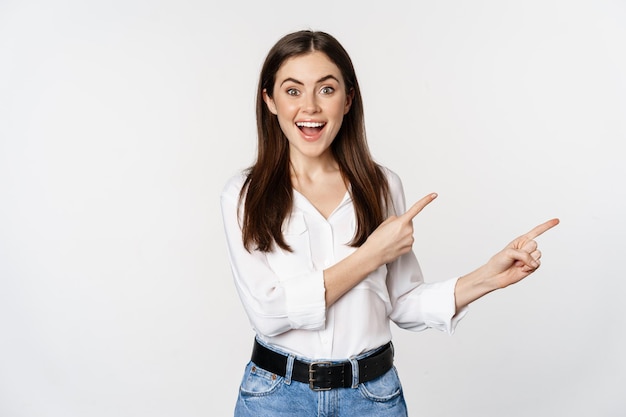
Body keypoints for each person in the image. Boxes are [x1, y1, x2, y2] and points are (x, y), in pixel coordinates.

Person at [220, 29, 559, 417]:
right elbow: (269, 313)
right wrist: (370, 256)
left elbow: (400, 301)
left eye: (326, 90)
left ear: (348, 99)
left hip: (371, 398)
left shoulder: (381, 186)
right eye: (293, 91)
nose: (309, 107)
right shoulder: (243, 195)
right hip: (276, 398)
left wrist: (488, 276)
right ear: (270, 101)